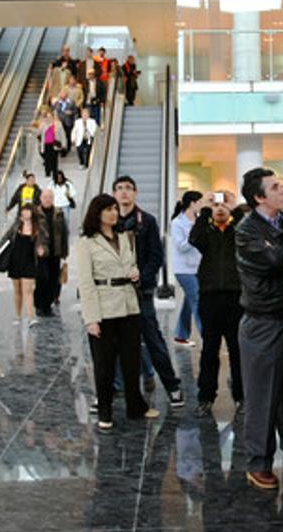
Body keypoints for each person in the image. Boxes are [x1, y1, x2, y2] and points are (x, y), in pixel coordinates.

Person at [235, 167, 283, 491]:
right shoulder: (246, 230)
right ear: (259, 196)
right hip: (263, 322)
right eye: (275, 187)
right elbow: (278, 260)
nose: (282, 190)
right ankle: (259, 463)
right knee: (262, 396)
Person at [73, 193, 158, 431]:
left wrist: (135, 272)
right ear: (97, 213)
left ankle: (135, 406)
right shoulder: (86, 243)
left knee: (132, 359)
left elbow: (130, 264)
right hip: (103, 306)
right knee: (104, 364)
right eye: (108, 209)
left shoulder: (124, 236)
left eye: (114, 209)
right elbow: (86, 283)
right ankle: (105, 411)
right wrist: (91, 318)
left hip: (129, 304)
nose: (114, 213)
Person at [114, 175, 185, 408]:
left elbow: (156, 256)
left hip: (141, 291)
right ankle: (116, 387)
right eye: (119, 189)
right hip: (115, 293)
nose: (124, 192)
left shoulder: (148, 222)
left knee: (153, 339)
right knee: (115, 342)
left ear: (135, 193)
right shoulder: (109, 222)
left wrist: (142, 278)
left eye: (128, 188)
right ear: (114, 194)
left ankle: (172, 386)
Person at [189, 191, 244, 417]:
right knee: (209, 349)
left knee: (237, 349)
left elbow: (247, 232)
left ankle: (242, 396)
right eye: (216, 205)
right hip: (210, 297)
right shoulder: (206, 232)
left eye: (224, 205)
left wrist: (237, 209)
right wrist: (204, 210)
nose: (220, 209)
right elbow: (194, 239)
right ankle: (205, 397)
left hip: (236, 297)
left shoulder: (237, 232)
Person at [1, 205, 48, 327]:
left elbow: (45, 243)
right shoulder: (16, 226)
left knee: (28, 290)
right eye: (24, 211)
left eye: (28, 211)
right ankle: (18, 316)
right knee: (17, 290)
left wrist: (43, 251)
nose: (26, 213)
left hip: (30, 262)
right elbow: (5, 240)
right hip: (15, 261)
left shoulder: (38, 227)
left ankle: (31, 317)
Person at [170, 191, 205, 346]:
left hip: (199, 267)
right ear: (192, 203)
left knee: (189, 301)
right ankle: (208, 336)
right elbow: (181, 246)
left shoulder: (199, 220)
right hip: (184, 270)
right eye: (200, 202)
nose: (201, 205)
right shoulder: (177, 223)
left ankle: (180, 334)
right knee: (197, 300)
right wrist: (195, 235)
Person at [34, 189, 68, 318]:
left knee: (54, 279)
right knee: (43, 278)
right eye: (45, 197)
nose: (47, 199)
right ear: (41, 198)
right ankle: (38, 304)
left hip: (56, 251)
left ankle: (47, 306)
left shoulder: (59, 213)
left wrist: (65, 250)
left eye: (50, 197)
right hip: (42, 252)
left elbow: (64, 232)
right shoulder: (35, 214)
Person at [52, 87, 78, 157]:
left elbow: (76, 112)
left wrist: (71, 113)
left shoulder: (71, 102)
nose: (62, 95)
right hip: (59, 122)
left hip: (68, 122)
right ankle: (62, 150)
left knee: (67, 135)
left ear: (66, 95)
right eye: (61, 94)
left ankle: (68, 147)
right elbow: (53, 111)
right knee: (60, 136)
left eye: (64, 94)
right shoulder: (56, 103)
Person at [40, 113, 65, 179]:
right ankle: (47, 172)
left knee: (54, 159)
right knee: (47, 159)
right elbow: (39, 132)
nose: (49, 118)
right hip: (46, 144)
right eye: (47, 117)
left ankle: (55, 173)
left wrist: (64, 143)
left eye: (50, 117)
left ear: (53, 117)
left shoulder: (58, 124)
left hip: (54, 144)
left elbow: (62, 134)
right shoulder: (43, 124)